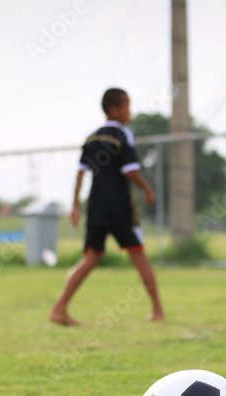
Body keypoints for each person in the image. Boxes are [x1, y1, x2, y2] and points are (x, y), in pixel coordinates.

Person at [49, 88, 164, 326]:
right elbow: (130, 171)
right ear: (114, 109)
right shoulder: (122, 135)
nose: (129, 113)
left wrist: (74, 206)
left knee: (89, 259)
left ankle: (59, 309)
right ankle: (157, 311)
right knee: (139, 256)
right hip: (120, 208)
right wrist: (148, 189)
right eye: (127, 107)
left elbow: (80, 173)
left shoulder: (91, 138)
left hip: (96, 208)